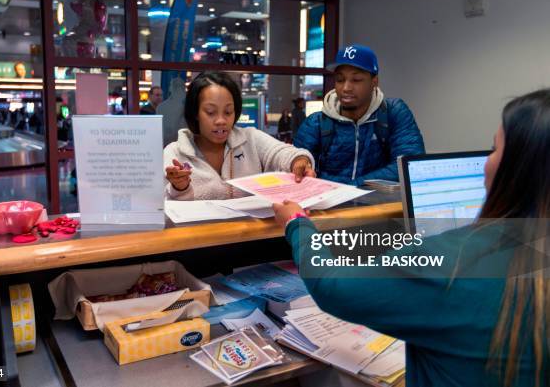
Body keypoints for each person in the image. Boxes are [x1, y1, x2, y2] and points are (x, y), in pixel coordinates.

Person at [273, 88, 550, 387]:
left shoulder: (457, 262)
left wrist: (297, 223)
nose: (486, 162)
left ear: (518, 170)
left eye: (494, 149)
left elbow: (332, 285)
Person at [164, 71, 315, 200]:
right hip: (199, 233)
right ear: (195, 112)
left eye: (228, 112)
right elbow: (163, 206)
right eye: (210, 112)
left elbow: (282, 153)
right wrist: (180, 188)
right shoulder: (175, 153)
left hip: (255, 233)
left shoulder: (250, 139)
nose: (221, 121)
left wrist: (299, 161)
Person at [294, 44, 424, 186]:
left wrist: (353, 187)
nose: (346, 88)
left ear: (374, 81)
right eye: (340, 79)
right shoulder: (316, 123)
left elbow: (410, 164)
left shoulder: (393, 113)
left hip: (379, 206)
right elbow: (297, 172)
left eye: (356, 80)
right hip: (328, 206)